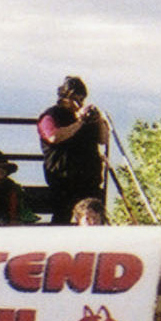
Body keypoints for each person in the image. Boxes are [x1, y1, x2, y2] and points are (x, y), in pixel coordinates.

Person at [38, 76, 109, 224]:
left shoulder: (88, 117)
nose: (79, 103)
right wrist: (80, 122)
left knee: (94, 217)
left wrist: (98, 120)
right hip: (63, 179)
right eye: (75, 98)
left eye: (81, 99)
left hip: (89, 178)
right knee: (62, 217)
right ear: (64, 97)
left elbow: (103, 139)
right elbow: (53, 137)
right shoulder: (51, 116)